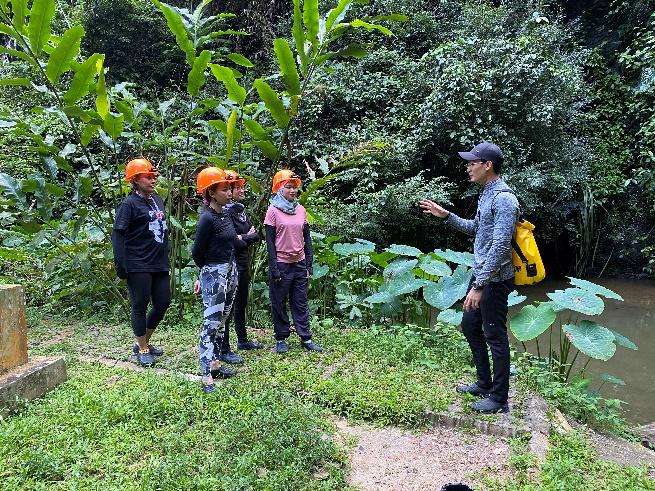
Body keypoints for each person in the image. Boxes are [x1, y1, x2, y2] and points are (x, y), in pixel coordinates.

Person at [419, 142, 519, 413]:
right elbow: (477, 228)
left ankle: (499, 398)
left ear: (488, 165)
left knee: (494, 335)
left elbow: (500, 247)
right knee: (470, 325)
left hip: (495, 279)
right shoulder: (487, 194)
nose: (468, 167)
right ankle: (484, 383)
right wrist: (447, 216)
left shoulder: (505, 199)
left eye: (472, 162)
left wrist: (478, 285)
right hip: (483, 273)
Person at [112, 158, 171, 367]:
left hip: (159, 262)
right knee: (139, 306)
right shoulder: (129, 204)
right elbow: (118, 233)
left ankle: (143, 341)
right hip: (138, 263)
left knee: (163, 302)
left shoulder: (157, 200)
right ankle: (143, 348)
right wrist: (121, 263)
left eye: (154, 176)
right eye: (148, 176)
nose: (153, 180)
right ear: (135, 180)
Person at [264, 170, 322, 354]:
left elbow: (307, 238)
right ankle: (281, 338)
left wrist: (309, 263)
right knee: (279, 301)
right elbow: (270, 242)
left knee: (300, 301)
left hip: (299, 263)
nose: (292, 190)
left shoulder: (301, 209)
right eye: (288, 187)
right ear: (279, 189)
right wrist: (274, 267)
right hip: (281, 262)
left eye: (294, 187)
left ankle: (306, 337)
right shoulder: (272, 211)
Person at [192, 167, 239, 393]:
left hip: (231, 270)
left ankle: (216, 363)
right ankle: (205, 373)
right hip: (214, 272)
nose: (229, 192)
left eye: (229, 188)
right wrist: (207, 274)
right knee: (211, 323)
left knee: (222, 320)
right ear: (211, 193)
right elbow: (196, 253)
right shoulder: (207, 219)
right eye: (224, 189)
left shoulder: (225, 214)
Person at [218, 170, 263, 364]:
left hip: (243, 262)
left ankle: (242, 340)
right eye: (238, 187)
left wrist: (243, 237)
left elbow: (255, 234)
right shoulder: (224, 213)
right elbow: (234, 241)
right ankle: (225, 348)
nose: (241, 190)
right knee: (227, 308)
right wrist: (246, 237)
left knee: (241, 303)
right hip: (231, 263)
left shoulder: (240, 210)